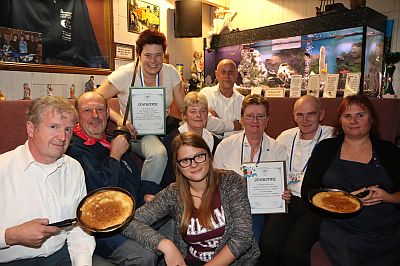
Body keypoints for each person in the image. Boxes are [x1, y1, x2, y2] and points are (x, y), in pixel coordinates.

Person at [122, 132, 260, 265]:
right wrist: (165, 244)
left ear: (209, 156)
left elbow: (243, 237)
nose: (194, 164)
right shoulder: (173, 193)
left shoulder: (230, 181)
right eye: (185, 160)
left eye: (199, 156)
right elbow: (128, 223)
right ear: (177, 166)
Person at [301, 94, 400, 265]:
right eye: (347, 116)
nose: (353, 120)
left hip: (383, 230)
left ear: (372, 120)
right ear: (340, 121)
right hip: (339, 228)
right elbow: (308, 190)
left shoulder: (388, 151)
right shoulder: (326, 149)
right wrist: (342, 200)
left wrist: (387, 197)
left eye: (360, 115)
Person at [0, 96, 95, 265]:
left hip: (61, 257)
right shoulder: (3, 168)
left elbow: (79, 228)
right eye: (54, 127)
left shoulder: (74, 169)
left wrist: (82, 262)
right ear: (31, 128)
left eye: (67, 129)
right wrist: (11, 236)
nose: (62, 137)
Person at [66, 92, 158, 265]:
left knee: (177, 219)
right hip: (101, 228)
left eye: (100, 109)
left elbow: (132, 181)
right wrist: (115, 155)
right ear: (77, 115)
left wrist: (150, 194)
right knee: (144, 256)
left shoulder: (111, 140)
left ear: (108, 114)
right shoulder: (72, 150)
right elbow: (102, 193)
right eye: (87, 110)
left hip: (132, 214)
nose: (95, 115)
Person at [96, 29, 185, 202]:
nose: (153, 61)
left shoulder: (171, 72)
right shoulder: (125, 74)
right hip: (138, 132)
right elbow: (96, 99)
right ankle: (145, 201)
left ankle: (178, 199)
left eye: (158, 55)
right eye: (148, 55)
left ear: (164, 55)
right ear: (139, 55)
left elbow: (183, 106)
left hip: (165, 127)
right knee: (158, 154)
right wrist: (120, 120)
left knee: (186, 147)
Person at [259, 95, 334, 266]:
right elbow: (271, 167)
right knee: (268, 244)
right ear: (293, 116)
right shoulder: (285, 137)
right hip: (287, 200)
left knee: (293, 252)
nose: (305, 120)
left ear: (321, 115)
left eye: (311, 114)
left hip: (314, 204)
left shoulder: (332, 136)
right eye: (300, 114)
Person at [213, 94, 290, 241]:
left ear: (267, 121)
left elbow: (282, 186)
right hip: (229, 206)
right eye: (250, 116)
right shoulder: (225, 146)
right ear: (241, 119)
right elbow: (214, 183)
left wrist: (284, 194)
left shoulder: (278, 149)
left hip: (261, 209)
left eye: (260, 116)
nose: (255, 121)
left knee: (251, 237)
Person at [162, 91, 221, 189]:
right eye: (193, 111)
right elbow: (170, 177)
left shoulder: (214, 141)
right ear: (184, 115)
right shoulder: (172, 140)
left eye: (203, 111)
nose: (199, 115)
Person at [200, 59, 243, 137]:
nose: (227, 76)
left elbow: (243, 130)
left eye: (230, 72)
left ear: (236, 74)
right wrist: (233, 126)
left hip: (233, 147)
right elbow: (205, 122)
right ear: (216, 75)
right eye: (223, 72)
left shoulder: (242, 101)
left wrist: (217, 126)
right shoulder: (206, 94)